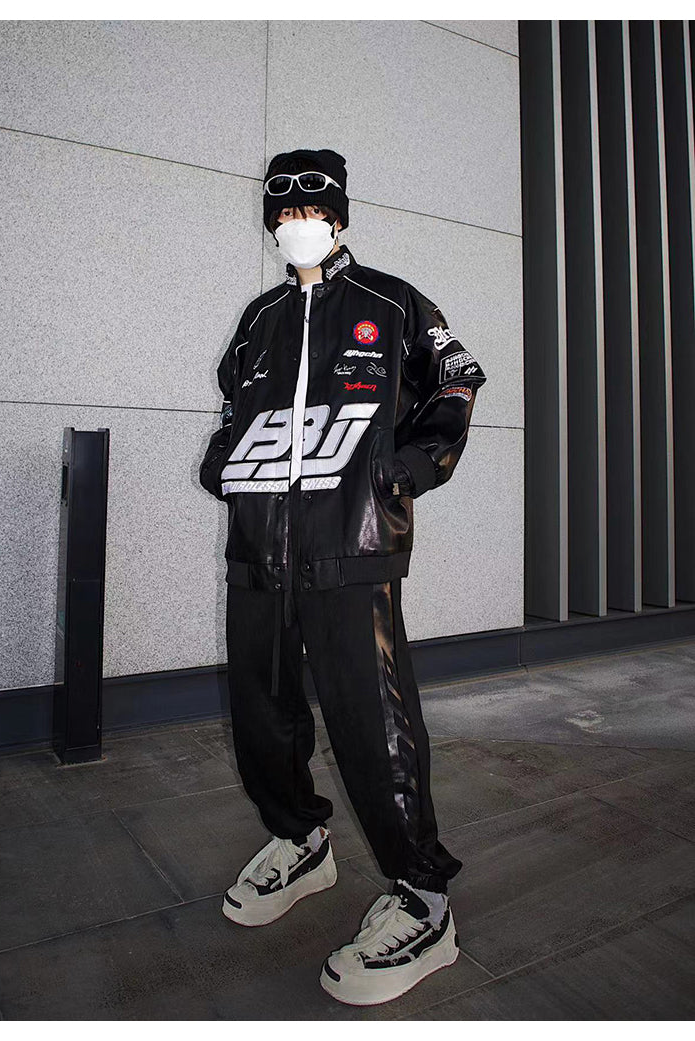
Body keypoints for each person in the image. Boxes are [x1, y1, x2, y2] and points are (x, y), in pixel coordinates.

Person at [199, 148, 487, 1006]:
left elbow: (457, 383)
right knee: (262, 712)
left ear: (338, 216)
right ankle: (300, 840)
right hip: (260, 552)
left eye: (312, 211)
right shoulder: (260, 319)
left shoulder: (392, 304)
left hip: (353, 547)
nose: (298, 225)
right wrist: (222, 462)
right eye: (283, 213)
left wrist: (411, 467)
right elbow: (233, 408)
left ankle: (424, 898)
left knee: (373, 724)